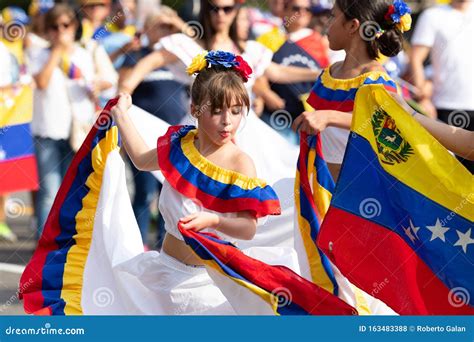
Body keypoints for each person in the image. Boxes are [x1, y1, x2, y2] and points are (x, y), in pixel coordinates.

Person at [110, 51, 287, 314]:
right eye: (216, 111)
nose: (227, 121)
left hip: (209, 286)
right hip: (163, 273)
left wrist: (214, 221)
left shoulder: (240, 163)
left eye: (236, 111)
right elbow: (140, 159)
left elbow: (248, 228)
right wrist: (121, 115)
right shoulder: (180, 145)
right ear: (195, 109)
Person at [293, 0, 408, 180]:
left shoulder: (375, 77)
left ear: (353, 26)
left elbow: (384, 123)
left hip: (358, 189)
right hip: (322, 180)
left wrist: (329, 117)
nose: (326, 24)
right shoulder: (330, 73)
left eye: (332, 16)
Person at [119, 8, 189, 249]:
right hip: (143, 136)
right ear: (147, 28)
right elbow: (123, 89)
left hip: (174, 136)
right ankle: (137, 247)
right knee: (143, 193)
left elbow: (198, 48)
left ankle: (163, 247)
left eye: (169, 27)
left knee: (169, 195)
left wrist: (177, 22)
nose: (165, 31)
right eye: (160, 25)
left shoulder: (180, 58)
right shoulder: (136, 56)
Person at [29, 4, 97, 235]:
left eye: (65, 25)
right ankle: (44, 244)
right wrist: (57, 52)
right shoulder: (38, 53)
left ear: (74, 27)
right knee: (49, 191)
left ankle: (66, 243)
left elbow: (96, 85)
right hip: (48, 130)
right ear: (47, 31)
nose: (60, 31)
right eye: (54, 27)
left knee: (72, 191)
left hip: (77, 131)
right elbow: (41, 82)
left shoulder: (84, 54)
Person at [410, 0, 474, 173]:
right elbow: (416, 58)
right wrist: (423, 98)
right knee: (447, 178)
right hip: (443, 108)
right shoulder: (432, 15)